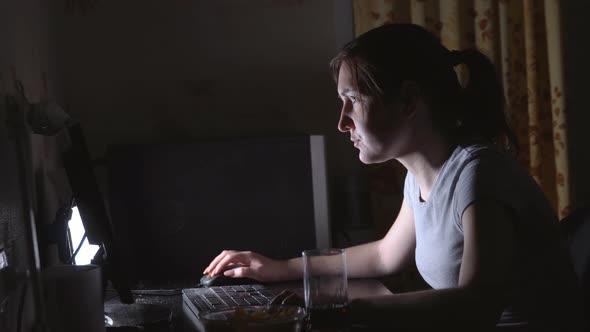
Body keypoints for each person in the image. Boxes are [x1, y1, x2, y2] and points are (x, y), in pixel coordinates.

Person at [203, 23, 584, 331]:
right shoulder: (421, 174)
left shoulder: (478, 174)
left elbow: (475, 308)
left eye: (353, 100)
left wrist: (346, 309)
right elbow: (387, 256)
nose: (341, 122)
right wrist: (279, 268)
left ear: (408, 100)